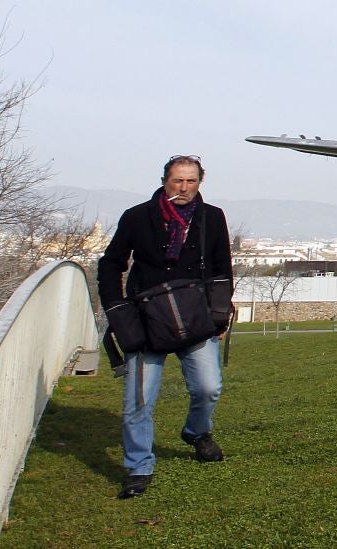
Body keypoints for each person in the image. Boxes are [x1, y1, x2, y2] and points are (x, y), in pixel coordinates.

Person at [97, 155, 234, 499]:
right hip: (146, 318)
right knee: (138, 400)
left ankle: (197, 432)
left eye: (190, 181)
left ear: (200, 182)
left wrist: (219, 313)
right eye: (177, 180)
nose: (183, 188)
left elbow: (221, 268)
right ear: (164, 181)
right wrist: (116, 309)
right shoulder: (137, 217)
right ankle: (139, 466)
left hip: (196, 316)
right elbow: (111, 264)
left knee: (208, 387)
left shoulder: (212, 217)